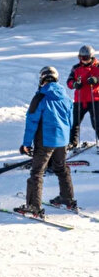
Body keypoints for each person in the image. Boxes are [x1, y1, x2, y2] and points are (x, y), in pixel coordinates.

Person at [15, 66, 76, 217]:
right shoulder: (66, 97)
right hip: (62, 140)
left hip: (45, 140)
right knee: (61, 168)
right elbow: (70, 120)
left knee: (37, 172)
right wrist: (68, 139)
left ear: (42, 79)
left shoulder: (40, 97)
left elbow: (31, 122)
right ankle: (67, 198)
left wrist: (26, 144)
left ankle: (33, 206)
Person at [66, 45, 99, 149]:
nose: (83, 60)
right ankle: (73, 143)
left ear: (91, 57)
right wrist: (75, 84)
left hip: (95, 99)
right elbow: (69, 82)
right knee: (75, 123)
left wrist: (96, 80)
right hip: (79, 100)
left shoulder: (97, 67)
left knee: (97, 123)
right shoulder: (76, 68)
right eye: (81, 58)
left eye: (86, 58)